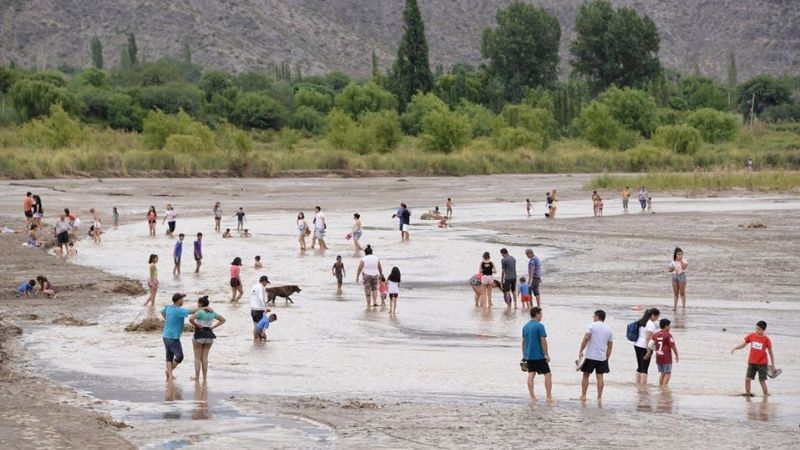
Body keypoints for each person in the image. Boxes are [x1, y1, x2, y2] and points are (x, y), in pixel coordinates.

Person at [161, 293, 210, 381]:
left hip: (165, 335)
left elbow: (162, 312)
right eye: (182, 299)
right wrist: (202, 308)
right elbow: (191, 311)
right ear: (178, 300)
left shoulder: (169, 307)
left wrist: (167, 320)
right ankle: (169, 373)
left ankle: (170, 374)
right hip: (173, 337)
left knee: (169, 356)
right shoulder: (179, 311)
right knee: (179, 356)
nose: (183, 301)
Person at [731, 321, 777, 397]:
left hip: (762, 364)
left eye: (759, 329)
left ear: (763, 330)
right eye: (756, 328)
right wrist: (735, 348)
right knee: (747, 379)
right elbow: (743, 345)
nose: (757, 331)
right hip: (751, 363)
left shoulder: (766, 339)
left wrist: (773, 365)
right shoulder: (751, 336)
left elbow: (770, 352)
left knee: (762, 381)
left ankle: (766, 396)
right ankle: (748, 395)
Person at [578, 310, 613, 401]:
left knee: (586, 376)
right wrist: (607, 358)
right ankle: (599, 397)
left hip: (590, 356)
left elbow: (586, 338)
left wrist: (581, 350)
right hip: (601, 357)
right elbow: (610, 346)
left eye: (594, 316)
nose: (593, 318)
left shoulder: (591, 326)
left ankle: (584, 395)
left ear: (597, 316)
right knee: (600, 377)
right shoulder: (609, 329)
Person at [188, 296, 226, 382]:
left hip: (199, 335)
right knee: (205, 358)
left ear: (201, 303)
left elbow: (190, 319)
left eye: (198, 303)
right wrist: (213, 327)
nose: (197, 305)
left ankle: (197, 378)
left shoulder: (200, 312)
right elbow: (223, 320)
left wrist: (196, 325)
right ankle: (205, 378)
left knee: (197, 358)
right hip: (209, 335)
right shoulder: (212, 312)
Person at [522, 307, 552, 402]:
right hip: (538, 355)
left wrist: (524, 355)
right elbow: (543, 341)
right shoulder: (540, 326)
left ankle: (532, 397)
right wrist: (546, 354)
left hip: (529, 355)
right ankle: (549, 397)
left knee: (531, 373)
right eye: (541, 314)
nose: (541, 316)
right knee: (548, 374)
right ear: (537, 314)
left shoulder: (525, 326)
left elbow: (523, 342)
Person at [645, 318, 679, 386]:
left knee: (662, 373)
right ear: (666, 326)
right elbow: (673, 346)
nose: (670, 327)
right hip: (666, 357)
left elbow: (650, 345)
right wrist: (677, 355)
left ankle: (661, 386)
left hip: (658, 356)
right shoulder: (668, 335)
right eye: (669, 326)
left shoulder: (655, 334)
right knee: (668, 372)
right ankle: (664, 387)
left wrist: (656, 350)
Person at [634, 308, 660, 385]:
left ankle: (637, 384)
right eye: (656, 317)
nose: (657, 319)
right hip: (644, 347)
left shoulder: (641, 321)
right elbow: (648, 338)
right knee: (645, 368)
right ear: (652, 315)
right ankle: (643, 388)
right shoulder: (650, 324)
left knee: (639, 366)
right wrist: (649, 351)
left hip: (637, 345)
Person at [249, 276, 271, 340]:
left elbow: (251, 297)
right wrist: (266, 307)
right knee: (261, 327)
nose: (266, 284)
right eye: (266, 282)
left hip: (253, 309)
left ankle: (255, 340)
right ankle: (261, 340)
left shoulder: (254, 286)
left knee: (256, 326)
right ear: (263, 281)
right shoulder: (261, 287)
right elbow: (262, 298)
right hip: (259, 310)